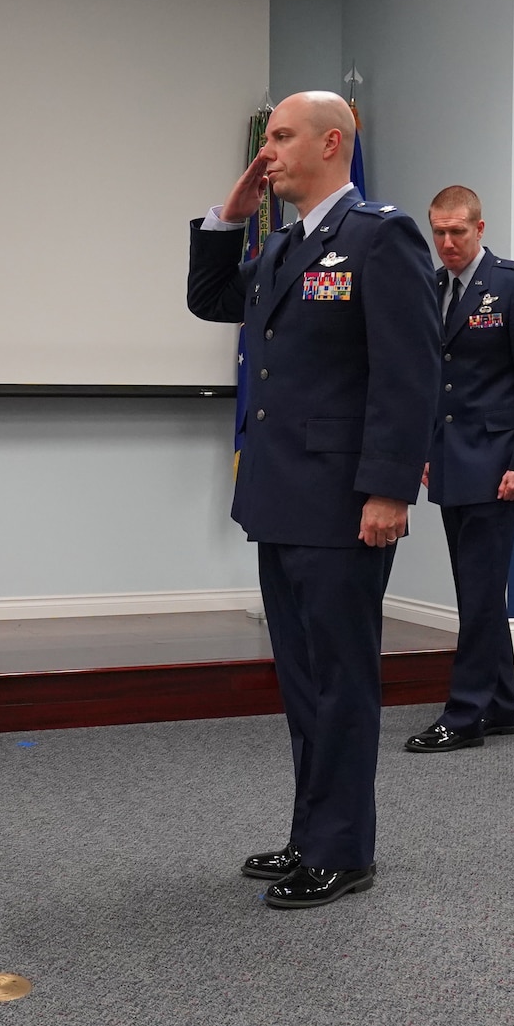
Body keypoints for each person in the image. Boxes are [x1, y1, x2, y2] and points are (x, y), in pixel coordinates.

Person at [187, 91, 440, 909]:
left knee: (340, 679)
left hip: (341, 501)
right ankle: (310, 834)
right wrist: (228, 215)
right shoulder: (286, 246)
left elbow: (409, 373)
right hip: (281, 496)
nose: (270, 153)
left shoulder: (379, 235)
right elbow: (213, 297)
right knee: (303, 680)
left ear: (333, 143)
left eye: (284, 137)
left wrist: (389, 487)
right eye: (266, 139)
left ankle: (344, 850)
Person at [406, 186, 514, 753]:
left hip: (498, 464)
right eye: (438, 232)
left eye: (457, 232)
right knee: (478, 588)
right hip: (450, 459)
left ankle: (465, 712)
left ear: (480, 228)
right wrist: (422, 447)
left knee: (477, 590)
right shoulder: (432, 285)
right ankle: (498, 705)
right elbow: (430, 377)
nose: (446, 243)